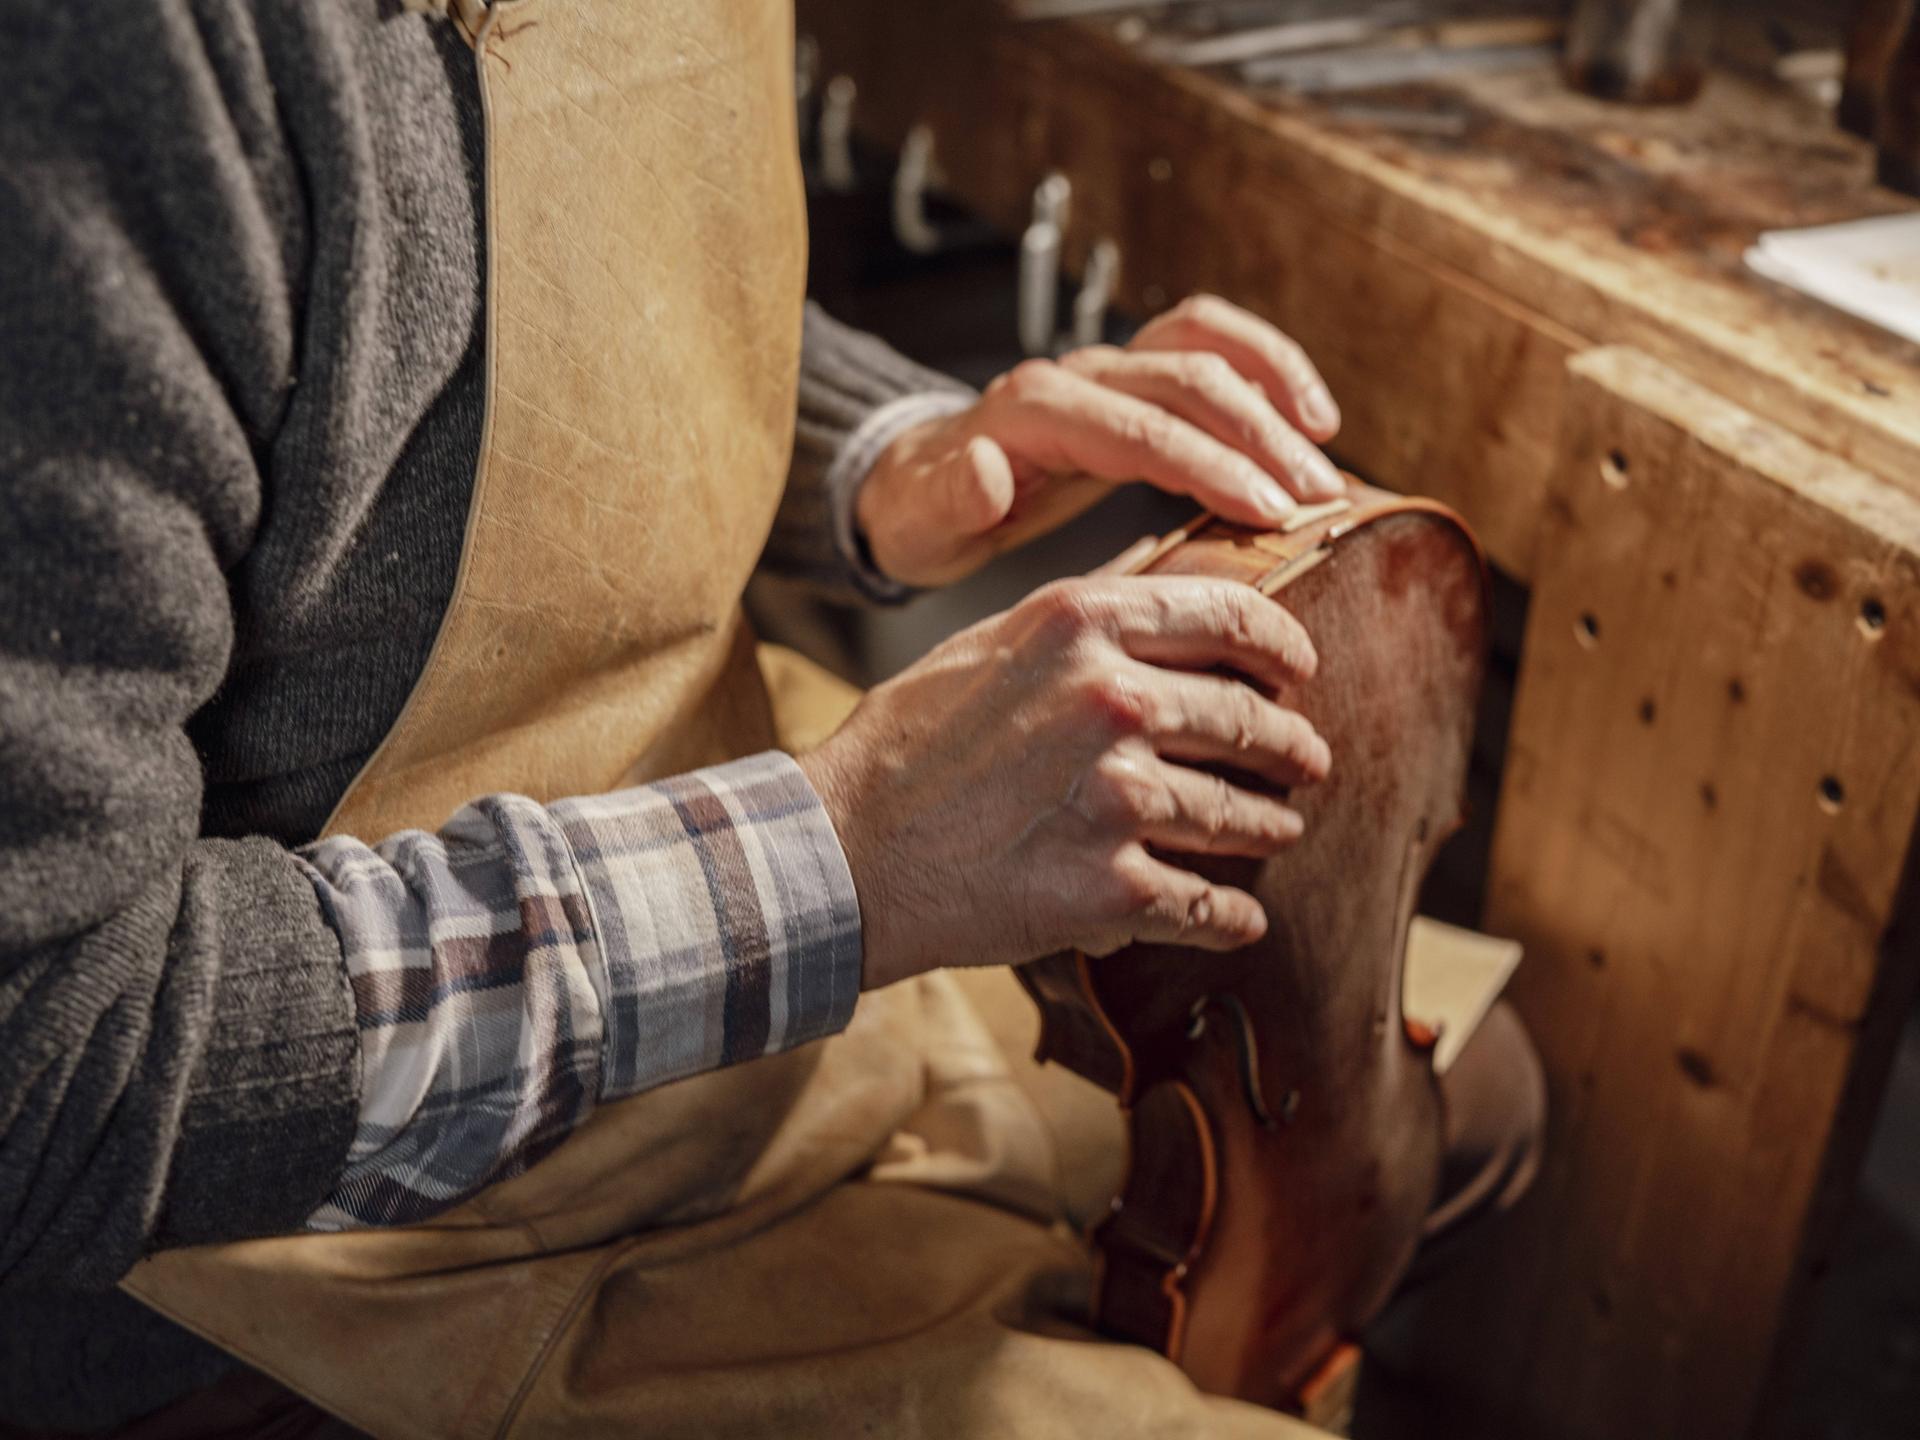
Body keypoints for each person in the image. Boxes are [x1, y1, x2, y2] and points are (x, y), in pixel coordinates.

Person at [0, 3, 1542, 1435]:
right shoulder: (112, 68)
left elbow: (528, 259)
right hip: (309, 1226)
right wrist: (839, 856)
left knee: (1478, 1101)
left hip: (705, 823)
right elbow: (47, 1068)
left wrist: (889, 460)